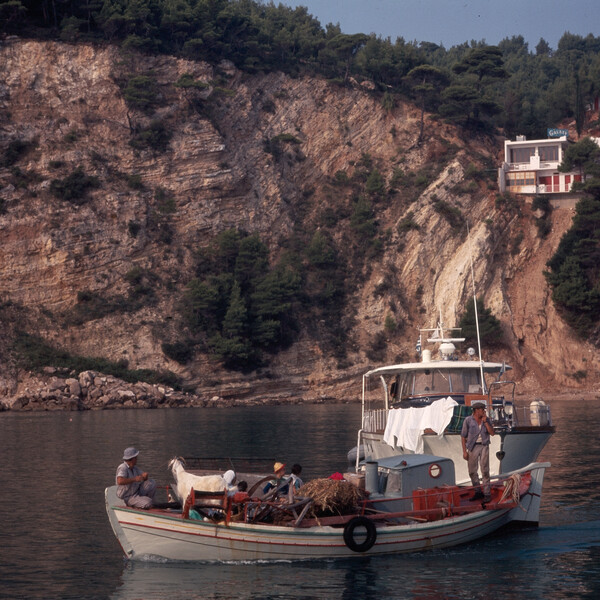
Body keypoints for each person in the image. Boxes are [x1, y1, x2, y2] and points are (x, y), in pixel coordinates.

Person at [461, 402, 495, 501]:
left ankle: (487, 494)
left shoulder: (487, 420)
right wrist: (464, 451)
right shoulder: (468, 420)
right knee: (472, 471)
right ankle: (478, 492)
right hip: (472, 447)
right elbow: (463, 436)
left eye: (484, 409)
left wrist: (485, 422)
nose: (484, 411)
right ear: (476, 411)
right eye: (482, 409)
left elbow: (492, 433)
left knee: (485, 470)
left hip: (484, 445)